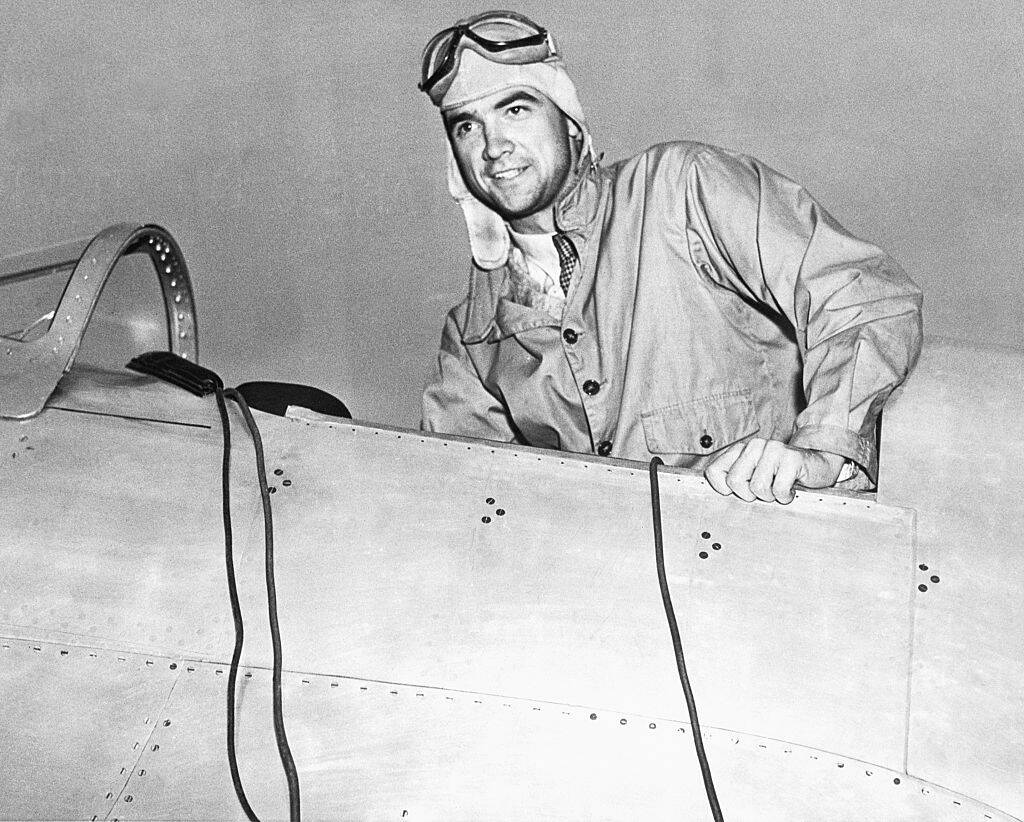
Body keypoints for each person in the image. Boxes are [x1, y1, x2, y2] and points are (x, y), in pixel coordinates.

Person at [418, 11, 923, 505]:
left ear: (570, 123)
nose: (493, 147)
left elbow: (865, 297)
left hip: (772, 552)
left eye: (516, 109)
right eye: (466, 126)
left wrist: (821, 449)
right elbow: (458, 497)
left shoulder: (682, 189)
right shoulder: (471, 337)